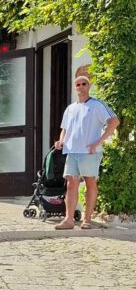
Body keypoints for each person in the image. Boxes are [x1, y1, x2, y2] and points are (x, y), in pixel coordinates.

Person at [53, 67, 119, 230]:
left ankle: (87, 220)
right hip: (72, 151)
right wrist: (61, 141)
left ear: (88, 87)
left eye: (84, 84)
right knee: (71, 185)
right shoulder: (70, 108)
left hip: (89, 152)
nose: (81, 86)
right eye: (78, 84)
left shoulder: (97, 105)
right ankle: (69, 220)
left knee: (90, 183)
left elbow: (114, 121)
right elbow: (65, 129)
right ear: (75, 88)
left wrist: (99, 142)